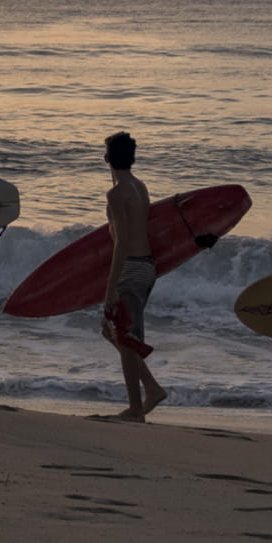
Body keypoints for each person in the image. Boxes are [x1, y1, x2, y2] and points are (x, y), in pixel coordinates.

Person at [99, 131, 168, 422]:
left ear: (106, 159)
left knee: (124, 337)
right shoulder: (140, 186)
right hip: (147, 266)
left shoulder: (116, 194)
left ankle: (136, 409)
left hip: (130, 268)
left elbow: (123, 241)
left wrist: (111, 285)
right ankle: (151, 389)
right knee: (110, 330)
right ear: (133, 158)